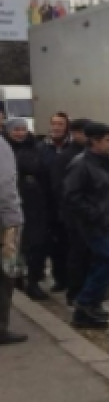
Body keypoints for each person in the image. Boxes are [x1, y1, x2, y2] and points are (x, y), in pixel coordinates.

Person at [60, 123, 109, 329]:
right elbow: (72, 196)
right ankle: (86, 300)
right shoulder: (81, 164)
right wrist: (95, 214)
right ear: (94, 141)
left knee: (104, 262)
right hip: (94, 224)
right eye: (108, 140)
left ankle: (89, 307)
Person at [4, 119, 49, 302]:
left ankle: (33, 281)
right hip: (11, 206)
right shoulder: (5, 148)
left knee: (36, 246)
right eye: (16, 129)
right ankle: (15, 278)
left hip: (34, 205)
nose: (20, 133)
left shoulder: (36, 147)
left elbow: (43, 172)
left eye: (23, 129)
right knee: (14, 247)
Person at [55, 118, 91, 304]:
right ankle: (74, 292)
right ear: (76, 133)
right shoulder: (68, 156)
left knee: (87, 254)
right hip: (75, 215)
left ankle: (84, 289)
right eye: (86, 133)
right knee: (77, 254)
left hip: (88, 215)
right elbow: (61, 189)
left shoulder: (89, 154)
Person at [36, 111, 72, 293]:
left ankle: (72, 278)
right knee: (55, 244)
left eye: (60, 124)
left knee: (71, 244)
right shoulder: (41, 148)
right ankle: (60, 278)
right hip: (49, 203)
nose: (57, 127)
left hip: (69, 203)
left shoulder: (71, 148)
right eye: (54, 124)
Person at [0, 126, 26, 345]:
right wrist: (13, 220)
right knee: (4, 275)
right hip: (3, 222)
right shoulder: (1, 146)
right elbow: (5, 185)